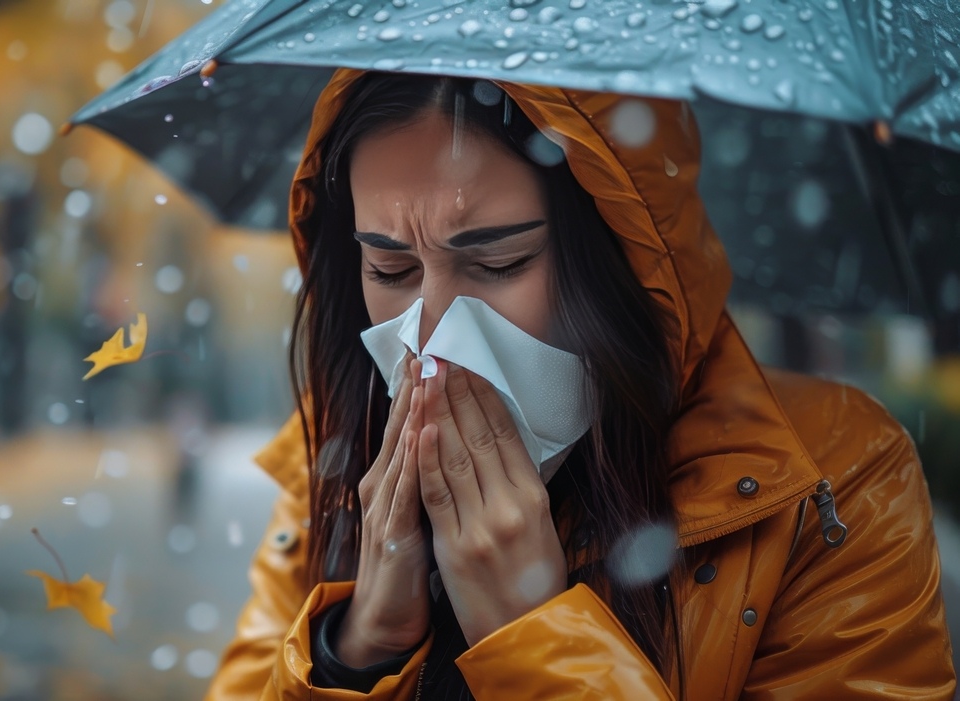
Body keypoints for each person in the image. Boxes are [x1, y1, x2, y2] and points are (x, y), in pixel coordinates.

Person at [204, 69, 956, 699]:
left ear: (622, 258)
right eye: (390, 270)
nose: (427, 340)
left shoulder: (830, 477)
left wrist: (529, 632)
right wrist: (358, 642)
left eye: (498, 264)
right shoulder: (333, 472)